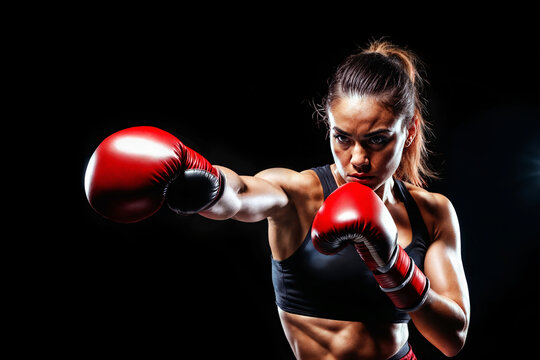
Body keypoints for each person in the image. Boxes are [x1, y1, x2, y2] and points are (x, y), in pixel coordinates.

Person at [85, 39, 470, 359]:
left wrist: (394, 266)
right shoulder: (298, 194)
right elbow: (240, 193)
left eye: (377, 140)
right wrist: (204, 183)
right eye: (342, 138)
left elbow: (453, 337)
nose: (357, 159)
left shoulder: (432, 213)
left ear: (410, 129)